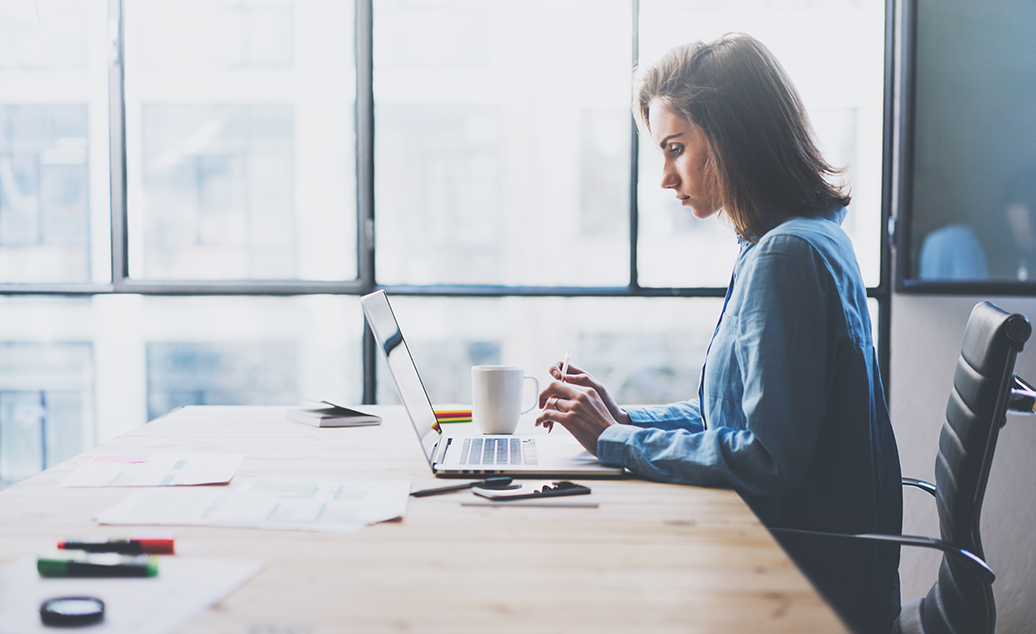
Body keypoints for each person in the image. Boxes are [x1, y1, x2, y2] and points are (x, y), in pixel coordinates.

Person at [536, 34, 902, 634]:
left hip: (798, 580)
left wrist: (614, 442)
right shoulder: (801, 237)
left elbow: (764, 460)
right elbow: (729, 418)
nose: (664, 177)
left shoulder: (784, 255)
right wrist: (622, 420)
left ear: (733, 135)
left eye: (675, 148)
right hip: (810, 558)